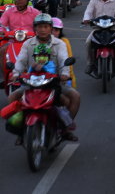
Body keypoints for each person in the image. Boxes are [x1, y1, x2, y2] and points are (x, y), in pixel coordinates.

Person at [8, 13, 80, 142]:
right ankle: (21, 130)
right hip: (31, 82)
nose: (42, 30)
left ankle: (65, 129)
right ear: (35, 28)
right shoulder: (28, 43)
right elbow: (21, 61)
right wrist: (15, 74)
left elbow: (64, 60)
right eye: (39, 27)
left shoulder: (59, 44)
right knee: (12, 97)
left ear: (50, 28)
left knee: (74, 97)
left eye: (45, 27)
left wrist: (65, 74)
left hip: (54, 82)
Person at [0, 0, 41, 84]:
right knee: (2, 50)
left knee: (43, 51)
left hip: (31, 41)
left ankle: (40, 74)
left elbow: (41, 25)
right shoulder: (8, 12)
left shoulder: (35, 12)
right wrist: (1, 31)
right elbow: (2, 25)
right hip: (13, 40)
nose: (20, 0)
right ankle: (4, 77)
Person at [52, 17, 76, 88]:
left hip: (60, 77)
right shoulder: (39, 42)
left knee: (74, 96)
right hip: (42, 78)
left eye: (56, 30)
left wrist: (67, 76)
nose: (53, 33)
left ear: (60, 32)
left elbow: (67, 62)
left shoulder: (64, 42)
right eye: (51, 30)